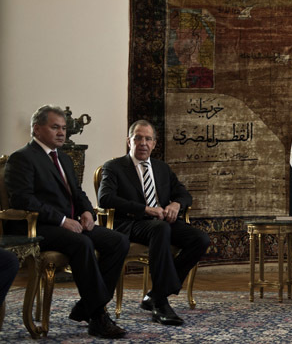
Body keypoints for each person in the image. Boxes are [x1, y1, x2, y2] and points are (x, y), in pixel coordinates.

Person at [4, 105, 129, 339]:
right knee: (82, 243)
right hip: (38, 227)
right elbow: (23, 199)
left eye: (63, 128)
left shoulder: (63, 158)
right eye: (55, 127)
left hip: (69, 224)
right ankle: (98, 315)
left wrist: (87, 212)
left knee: (118, 241)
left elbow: (78, 192)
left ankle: (87, 306)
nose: (62, 133)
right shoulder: (22, 158)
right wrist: (62, 220)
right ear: (37, 129)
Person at [98, 120, 210, 326]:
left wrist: (176, 204)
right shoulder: (114, 167)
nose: (143, 143)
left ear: (154, 143)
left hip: (160, 223)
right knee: (160, 228)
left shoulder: (161, 168)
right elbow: (105, 198)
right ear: (128, 141)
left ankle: (158, 293)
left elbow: (184, 194)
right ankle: (160, 304)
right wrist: (145, 209)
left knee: (200, 239)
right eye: (138, 138)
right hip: (130, 223)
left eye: (148, 139)